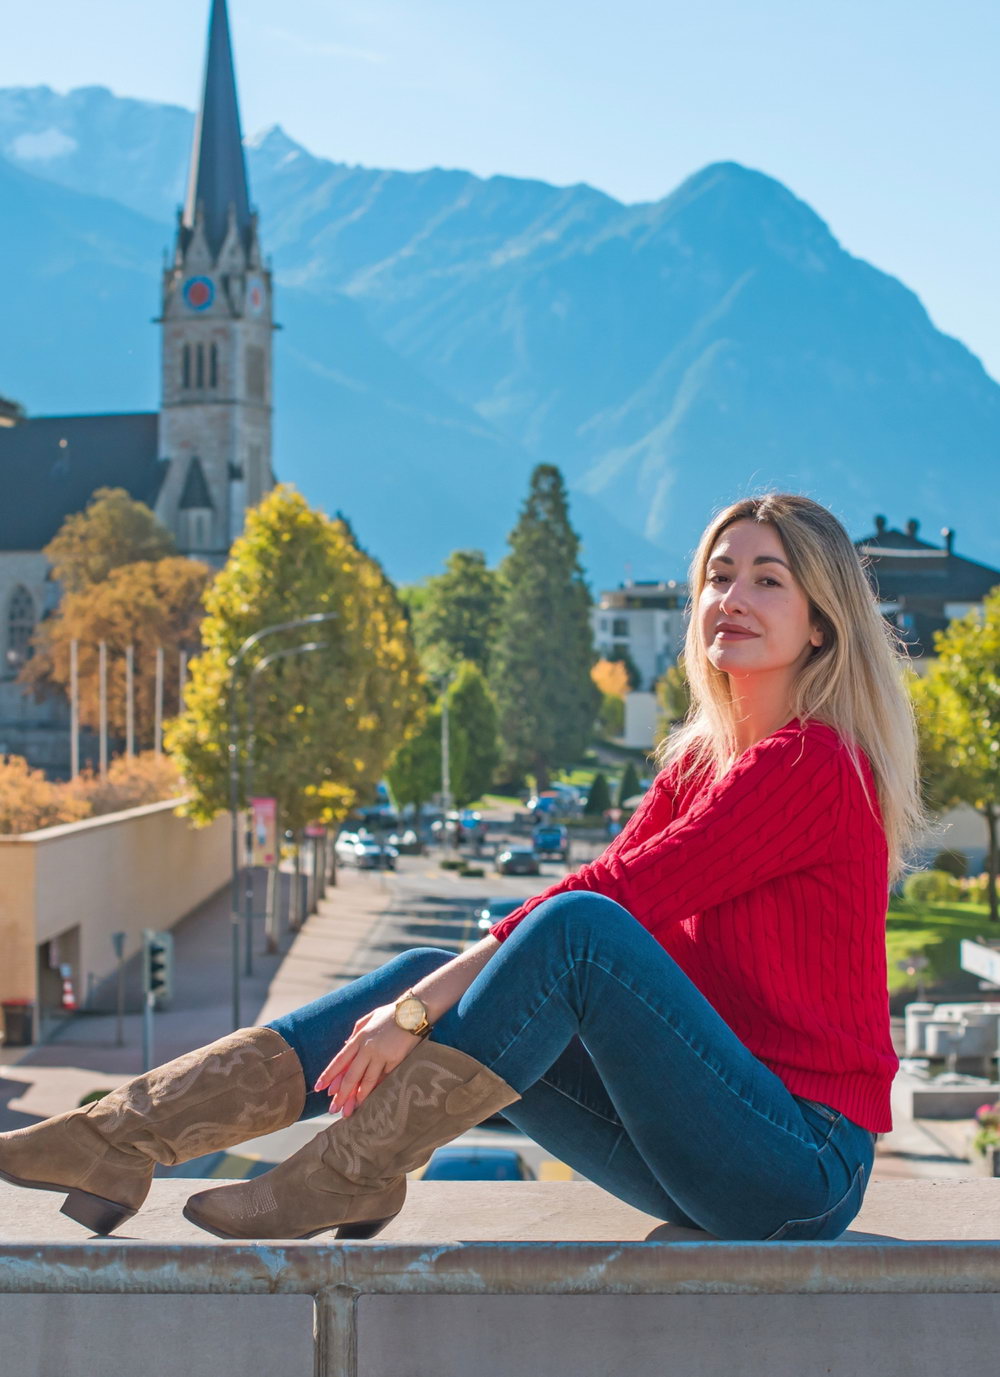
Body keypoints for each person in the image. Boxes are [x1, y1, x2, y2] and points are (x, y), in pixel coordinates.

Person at [0, 493, 921, 1242]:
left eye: (769, 580)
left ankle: (350, 1171)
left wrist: (419, 1012)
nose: (735, 599)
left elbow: (610, 903)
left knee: (564, 938)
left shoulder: (814, 764)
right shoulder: (697, 764)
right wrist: (417, 1000)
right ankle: (117, 1137)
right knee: (421, 975)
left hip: (800, 1164)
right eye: (720, 576)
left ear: (820, 624)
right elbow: (592, 901)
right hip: (702, 1140)